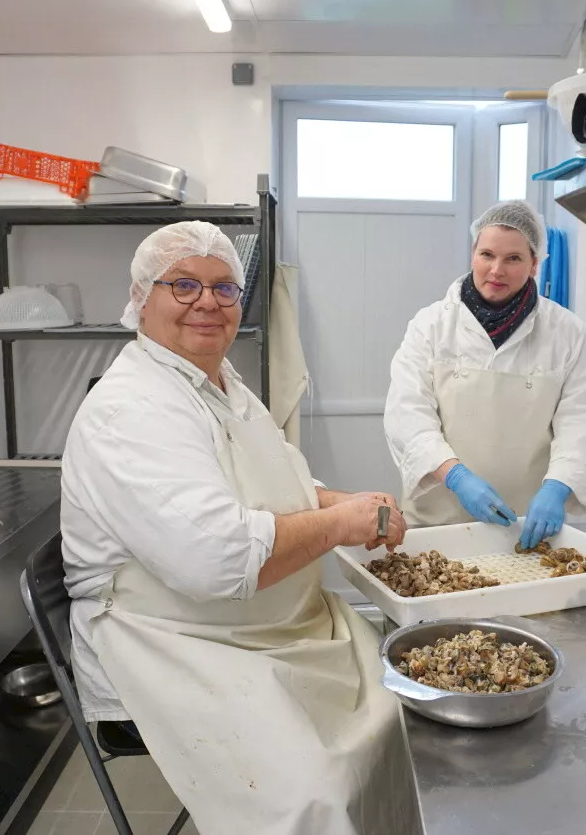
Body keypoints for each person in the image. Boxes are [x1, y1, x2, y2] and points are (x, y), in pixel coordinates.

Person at [60, 221, 419, 835]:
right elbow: (218, 562)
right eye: (184, 285)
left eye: (225, 288)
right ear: (141, 298)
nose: (207, 302)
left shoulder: (221, 384)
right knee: (314, 792)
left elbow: (283, 489)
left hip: (273, 628)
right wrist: (338, 523)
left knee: (402, 714)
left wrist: (346, 504)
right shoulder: (133, 410)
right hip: (178, 640)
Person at [384, 200, 586, 549]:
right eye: (487, 254)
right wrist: (456, 476)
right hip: (438, 520)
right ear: (473, 254)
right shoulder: (431, 326)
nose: (496, 270)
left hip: (525, 526)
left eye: (513, 258)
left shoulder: (568, 334)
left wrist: (558, 487)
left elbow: (585, 420)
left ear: (534, 264)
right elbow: (407, 413)